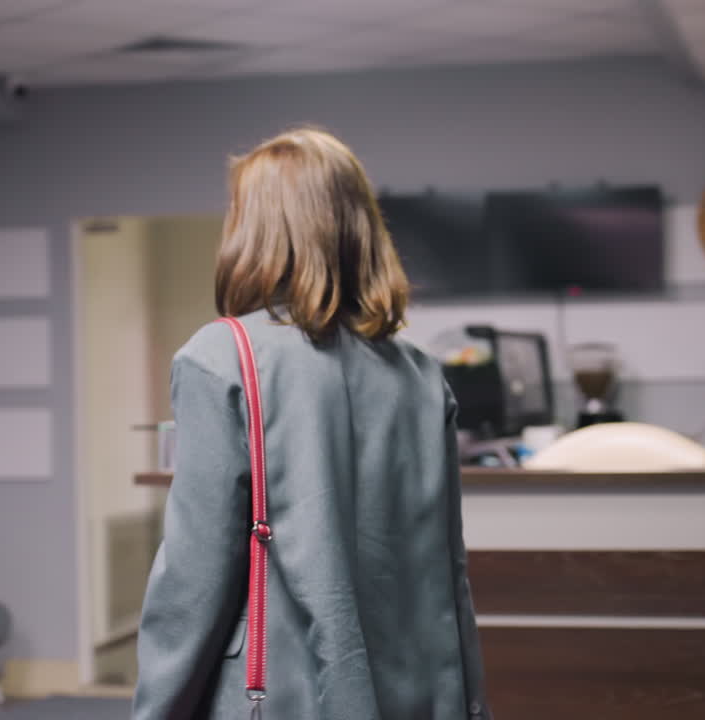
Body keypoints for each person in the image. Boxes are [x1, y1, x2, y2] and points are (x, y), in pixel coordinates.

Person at [133, 127, 491, 720]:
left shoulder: (223, 355)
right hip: (417, 692)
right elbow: (447, 572)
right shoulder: (421, 375)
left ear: (258, 229)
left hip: (285, 696)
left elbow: (193, 579)